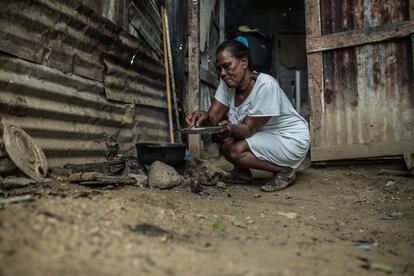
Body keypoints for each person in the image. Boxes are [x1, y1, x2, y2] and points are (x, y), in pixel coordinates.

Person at [185, 38, 309, 192]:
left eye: (227, 66)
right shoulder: (227, 85)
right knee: (223, 141)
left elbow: (249, 128)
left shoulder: (265, 85)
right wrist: (202, 116)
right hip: (266, 135)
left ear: (244, 62)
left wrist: (228, 128)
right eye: (219, 69)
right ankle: (242, 173)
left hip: (290, 138)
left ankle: (285, 171)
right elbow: (213, 119)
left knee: (236, 149)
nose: (222, 73)